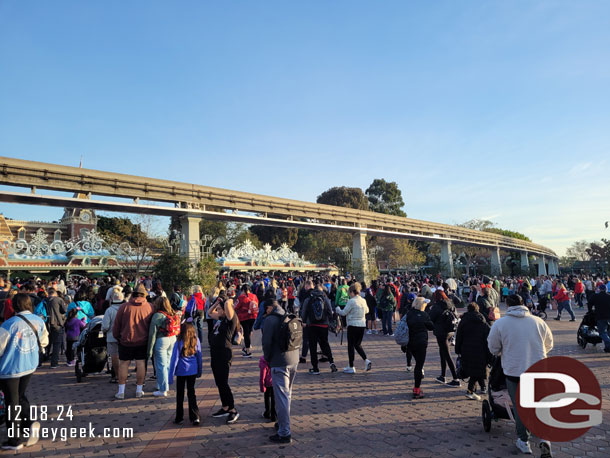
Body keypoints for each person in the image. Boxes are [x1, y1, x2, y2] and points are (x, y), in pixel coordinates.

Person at [488, 294, 554, 457]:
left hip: (515, 370)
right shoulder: (538, 321)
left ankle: (524, 440)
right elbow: (549, 344)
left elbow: (493, 347)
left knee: (519, 405)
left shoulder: (501, 323)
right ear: (523, 304)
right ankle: (544, 437)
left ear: (508, 306)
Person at [0, 293, 49, 450]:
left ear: (14, 306)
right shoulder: (39, 320)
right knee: (19, 396)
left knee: (11, 402)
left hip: (10, 368)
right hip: (29, 364)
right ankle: (28, 422)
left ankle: (15, 439)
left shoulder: (8, 325)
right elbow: (44, 341)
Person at [262, 299, 299, 444]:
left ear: (270, 307)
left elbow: (266, 343)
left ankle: (284, 432)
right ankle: (283, 423)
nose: (265, 311)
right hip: (293, 359)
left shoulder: (270, 320)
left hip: (279, 361)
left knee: (282, 397)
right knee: (286, 395)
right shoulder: (288, 315)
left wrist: (267, 358)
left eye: (266, 308)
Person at [112, 283, 154, 400]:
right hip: (143, 341)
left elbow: (116, 326)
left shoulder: (124, 307)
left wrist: (117, 337)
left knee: (124, 364)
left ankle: (121, 391)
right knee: (141, 363)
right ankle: (139, 390)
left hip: (126, 340)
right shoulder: (150, 307)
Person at [208, 290, 240, 424]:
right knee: (219, 382)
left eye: (220, 309)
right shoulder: (220, 319)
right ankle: (225, 406)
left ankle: (232, 409)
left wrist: (228, 300)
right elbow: (209, 313)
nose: (218, 310)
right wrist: (216, 303)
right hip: (215, 354)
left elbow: (227, 304)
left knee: (224, 383)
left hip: (224, 354)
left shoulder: (230, 321)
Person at [455, 303, 490, 400]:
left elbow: (459, 337)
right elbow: (488, 336)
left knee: (473, 369)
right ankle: (470, 390)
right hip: (480, 349)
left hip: (466, 349)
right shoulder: (482, 321)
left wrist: (458, 349)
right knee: (478, 369)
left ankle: (482, 387)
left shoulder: (463, 321)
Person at [169, 322, 202, 426]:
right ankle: (195, 416)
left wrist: (170, 376)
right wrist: (199, 371)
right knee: (191, 393)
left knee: (180, 394)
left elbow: (174, 360)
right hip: (192, 370)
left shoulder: (179, 342)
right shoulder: (196, 341)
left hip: (181, 371)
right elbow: (199, 357)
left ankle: (179, 417)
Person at [300, 283, 337, 375]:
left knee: (313, 346)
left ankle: (315, 368)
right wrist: (330, 321)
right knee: (325, 344)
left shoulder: (308, 299)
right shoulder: (325, 298)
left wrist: (303, 322)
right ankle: (331, 362)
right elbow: (330, 311)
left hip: (312, 325)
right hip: (324, 325)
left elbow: (303, 312)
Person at [335, 282, 371, 373]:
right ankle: (366, 360)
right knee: (357, 344)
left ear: (352, 292)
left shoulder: (351, 301)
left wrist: (338, 309)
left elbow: (343, 312)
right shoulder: (363, 300)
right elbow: (367, 310)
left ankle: (351, 366)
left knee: (351, 346)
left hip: (352, 325)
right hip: (362, 325)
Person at [147, 297, 180, 397]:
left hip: (162, 340)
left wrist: (149, 350)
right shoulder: (172, 313)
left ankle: (163, 389)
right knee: (167, 363)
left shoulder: (157, 315)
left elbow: (152, 334)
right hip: (173, 338)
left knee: (160, 365)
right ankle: (165, 384)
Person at [428, 292, 460, 386]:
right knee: (442, 352)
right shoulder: (450, 303)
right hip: (450, 330)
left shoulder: (437, 306)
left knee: (447, 354)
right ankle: (443, 376)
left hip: (441, 332)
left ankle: (456, 378)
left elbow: (431, 319)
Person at [405, 297, 434, 399]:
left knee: (417, 362)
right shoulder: (424, 315)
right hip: (421, 342)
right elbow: (431, 326)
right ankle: (417, 388)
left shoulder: (409, 314)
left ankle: (417, 385)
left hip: (410, 342)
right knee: (419, 366)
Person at [102, 289, 124, 382]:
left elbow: (105, 326)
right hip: (123, 336)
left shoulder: (109, 310)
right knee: (123, 357)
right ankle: (123, 374)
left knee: (114, 356)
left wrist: (104, 331)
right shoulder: (125, 309)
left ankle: (117, 375)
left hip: (111, 337)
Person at [233, 284, 258, 358]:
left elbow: (235, 307)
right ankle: (248, 344)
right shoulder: (254, 296)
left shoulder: (241, 297)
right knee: (249, 331)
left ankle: (247, 351)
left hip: (244, 317)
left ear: (243, 290)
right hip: (253, 316)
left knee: (246, 333)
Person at [46, 287, 67, 369]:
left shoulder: (45, 300)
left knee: (47, 342)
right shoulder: (58, 300)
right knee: (57, 343)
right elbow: (64, 310)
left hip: (47, 323)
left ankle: (43, 358)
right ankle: (54, 362)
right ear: (55, 293)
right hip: (57, 323)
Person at [588, 284, 610, 353]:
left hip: (600, 316)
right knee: (608, 332)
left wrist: (590, 311)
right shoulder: (609, 296)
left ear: (599, 289)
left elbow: (589, 303)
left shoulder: (595, 296)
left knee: (602, 332)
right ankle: (607, 348)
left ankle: (608, 343)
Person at [259, 355, 276, 422]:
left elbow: (262, 376)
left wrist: (262, 387)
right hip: (275, 382)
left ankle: (267, 412)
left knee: (267, 397)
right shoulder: (276, 359)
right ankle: (274, 415)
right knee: (274, 398)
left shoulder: (263, 362)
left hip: (267, 383)